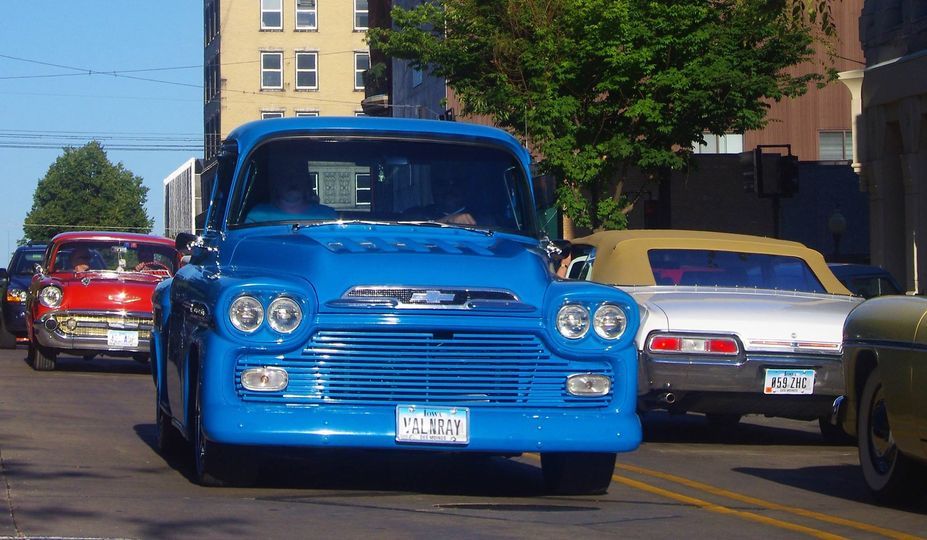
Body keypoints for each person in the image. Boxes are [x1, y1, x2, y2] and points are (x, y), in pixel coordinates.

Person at [245, 159, 338, 223]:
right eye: (286, 176)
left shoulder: (328, 215)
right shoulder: (257, 216)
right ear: (276, 183)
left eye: (297, 176)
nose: (292, 181)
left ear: (306, 183)